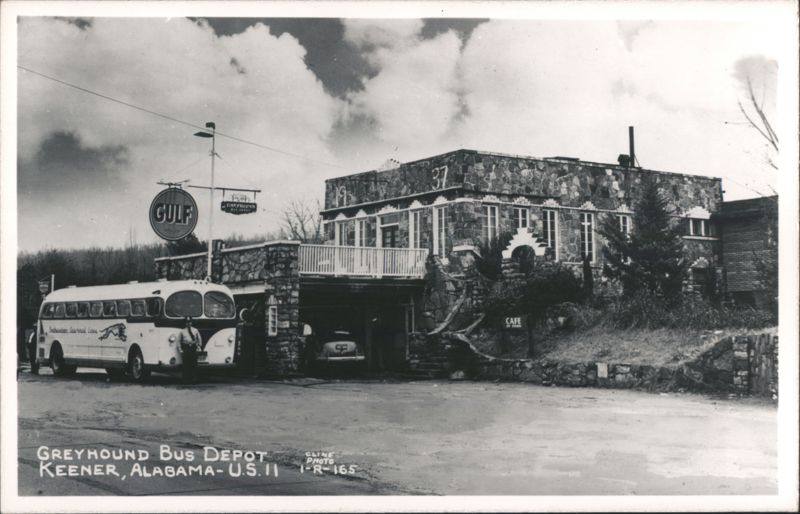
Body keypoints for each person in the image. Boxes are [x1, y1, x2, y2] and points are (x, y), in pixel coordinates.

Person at [179, 317, 201, 383]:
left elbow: (199, 339)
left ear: (191, 323)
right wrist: (180, 349)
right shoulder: (182, 331)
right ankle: (185, 379)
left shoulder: (195, 330)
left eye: (190, 322)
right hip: (186, 348)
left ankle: (194, 379)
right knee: (186, 364)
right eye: (187, 322)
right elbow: (179, 341)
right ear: (185, 324)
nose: (188, 324)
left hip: (193, 348)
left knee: (193, 364)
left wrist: (198, 347)